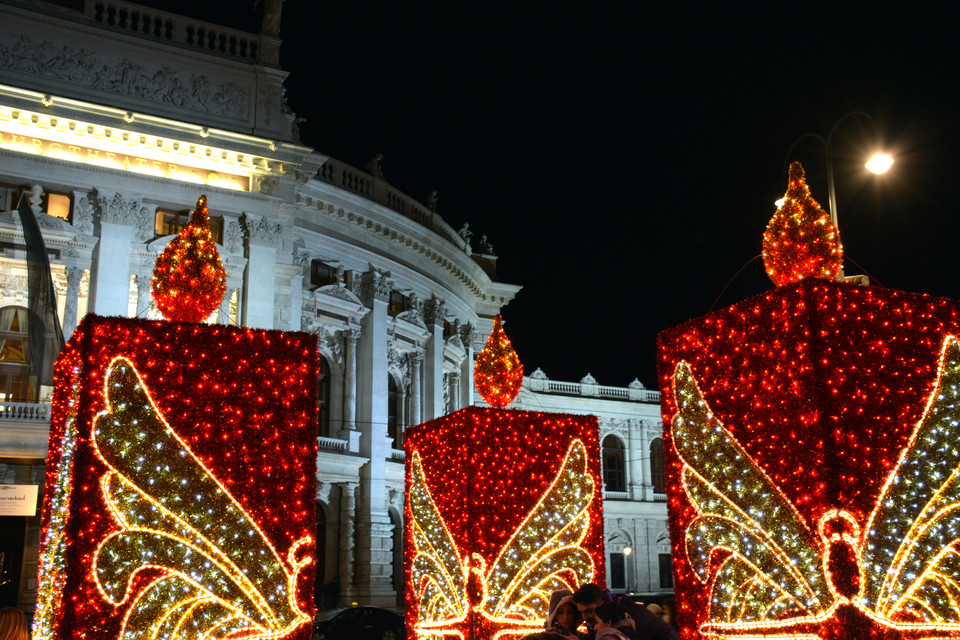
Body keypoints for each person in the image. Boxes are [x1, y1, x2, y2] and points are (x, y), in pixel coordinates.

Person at [573, 584, 678, 640]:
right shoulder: (599, 617)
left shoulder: (627, 615)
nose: (585, 617)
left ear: (601, 604)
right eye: (581, 612)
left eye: (588, 611)